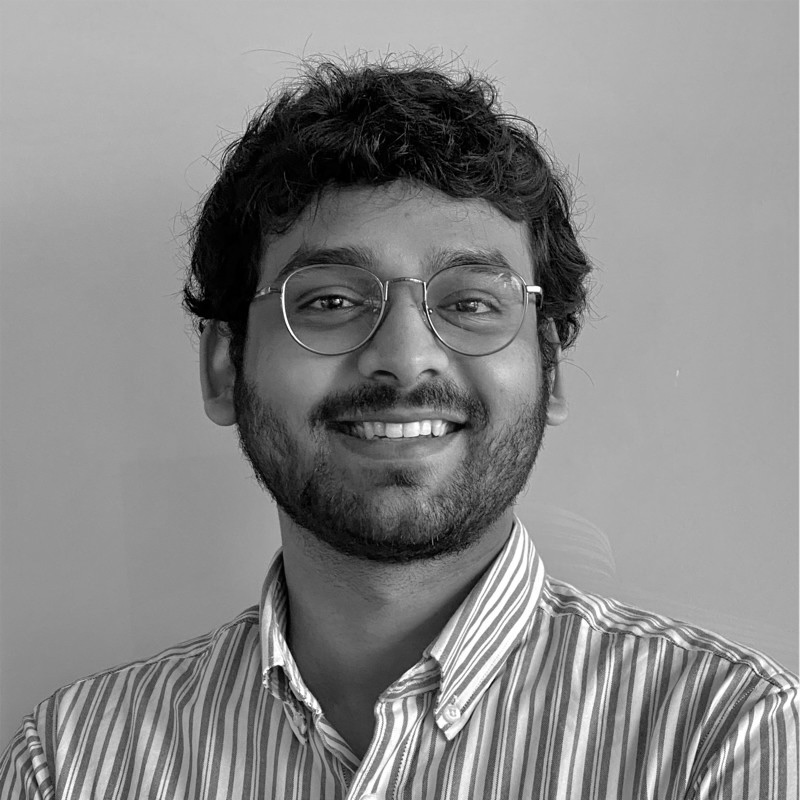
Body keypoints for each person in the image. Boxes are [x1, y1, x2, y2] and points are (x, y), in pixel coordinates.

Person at [1, 57, 797, 800]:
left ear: (548, 366)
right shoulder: (71, 761)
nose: (405, 359)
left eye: (470, 303)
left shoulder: (723, 737)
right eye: (331, 302)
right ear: (222, 368)